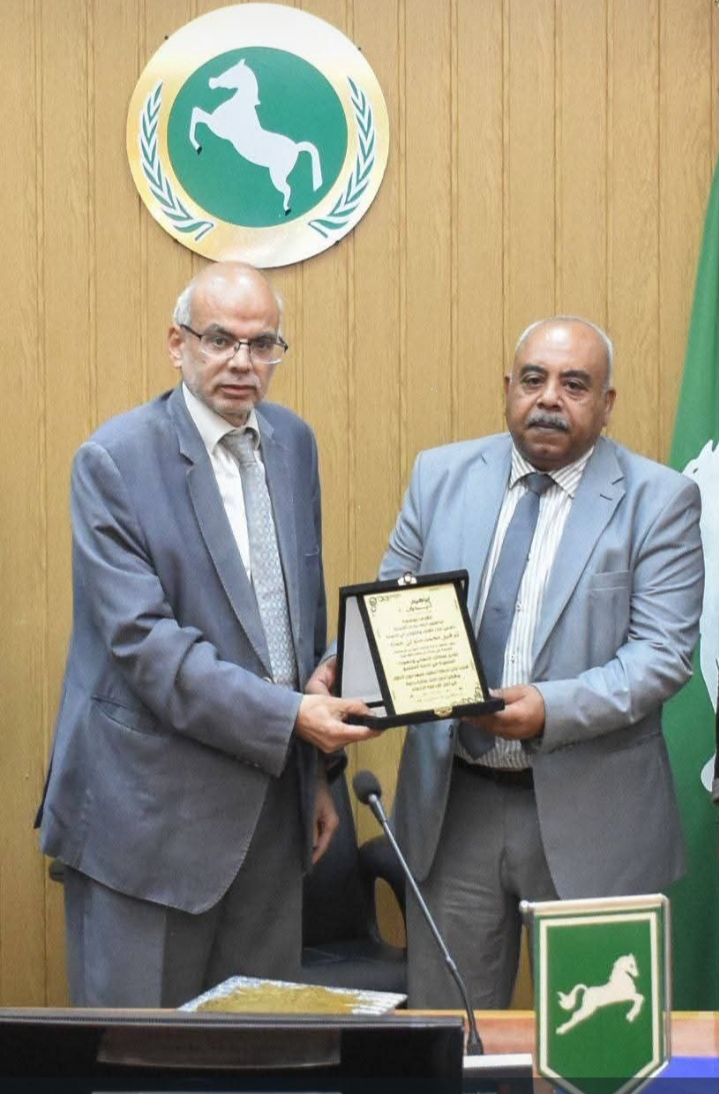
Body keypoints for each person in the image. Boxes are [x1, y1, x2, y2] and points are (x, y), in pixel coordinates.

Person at [310, 316, 704, 1009]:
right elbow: (395, 602)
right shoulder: (440, 476)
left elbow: (661, 655)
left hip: (594, 816)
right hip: (453, 807)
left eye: (574, 384)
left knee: (597, 1044)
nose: (549, 398)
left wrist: (550, 709)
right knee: (453, 1033)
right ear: (508, 389)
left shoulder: (659, 499)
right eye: (533, 379)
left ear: (607, 403)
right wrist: (344, 664)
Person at [37, 261, 376, 1008]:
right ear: (177, 344)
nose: (242, 362)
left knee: (258, 1042)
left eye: (263, 344)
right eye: (220, 339)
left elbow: (297, 620)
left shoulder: (293, 442)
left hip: (272, 818)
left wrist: (316, 777)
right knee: (143, 1053)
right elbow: (146, 648)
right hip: (148, 821)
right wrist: (293, 717)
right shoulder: (113, 461)